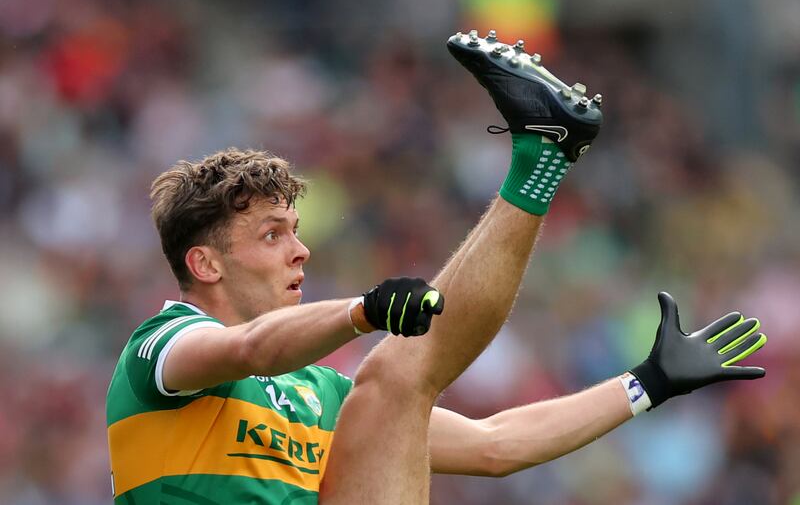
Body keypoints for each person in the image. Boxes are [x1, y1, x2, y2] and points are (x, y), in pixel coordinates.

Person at [106, 30, 768, 505]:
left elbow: (494, 444)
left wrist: (647, 382)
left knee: (396, 377)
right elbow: (251, 348)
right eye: (271, 234)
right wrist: (362, 311)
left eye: (296, 232)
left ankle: (543, 160)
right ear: (205, 264)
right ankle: (540, 157)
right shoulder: (160, 348)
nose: (300, 251)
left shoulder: (320, 395)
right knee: (394, 369)